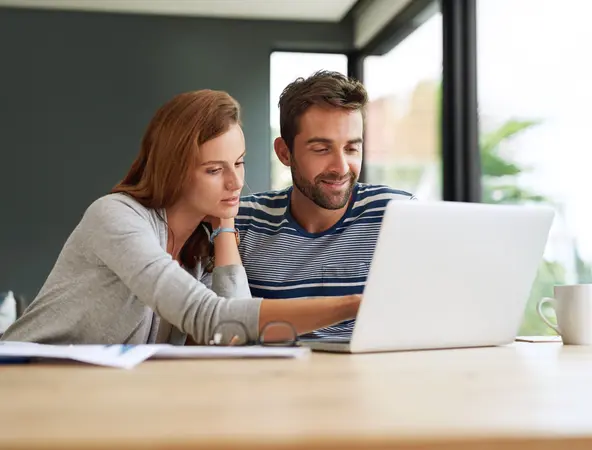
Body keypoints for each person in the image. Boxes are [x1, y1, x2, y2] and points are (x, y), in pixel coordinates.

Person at [0, 89, 360, 345]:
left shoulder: (197, 251)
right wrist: (353, 305)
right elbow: (210, 317)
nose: (237, 181)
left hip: (95, 397)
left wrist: (226, 224)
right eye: (215, 169)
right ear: (173, 171)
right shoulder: (115, 217)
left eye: (239, 163)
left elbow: (230, 338)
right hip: (24, 383)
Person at [236, 71, 415, 339]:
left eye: (352, 149)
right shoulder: (243, 221)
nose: (341, 168)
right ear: (284, 153)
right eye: (321, 149)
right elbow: (224, 327)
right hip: (276, 377)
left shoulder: (398, 214)